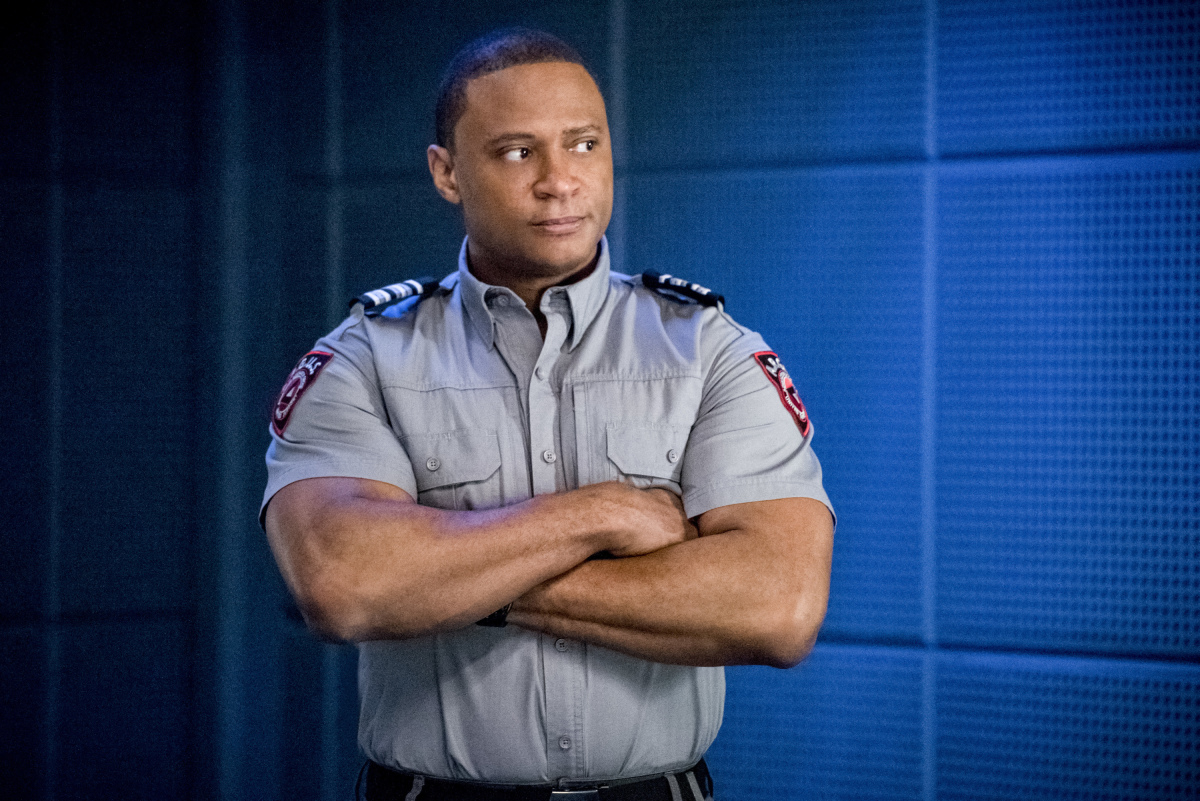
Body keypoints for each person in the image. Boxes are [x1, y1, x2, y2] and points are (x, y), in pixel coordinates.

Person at [262, 27, 834, 801]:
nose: (559, 181)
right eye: (517, 152)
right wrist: (604, 515)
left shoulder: (710, 349)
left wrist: (447, 581)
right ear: (447, 172)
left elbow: (777, 606)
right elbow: (344, 583)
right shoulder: (364, 357)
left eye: (584, 144)